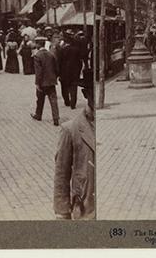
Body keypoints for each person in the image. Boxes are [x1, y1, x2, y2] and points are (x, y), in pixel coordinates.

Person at [54, 69, 95, 220]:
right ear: (86, 94)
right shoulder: (70, 130)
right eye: (93, 92)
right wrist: (63, 212)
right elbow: (61, 175)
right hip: (85, 211)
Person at [31, 36, 60, 126]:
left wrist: (37, 83)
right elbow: (56, 69)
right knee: (53, 100)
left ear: (38, 44)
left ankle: (38, 115)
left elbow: (38, 72)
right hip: (51, 81)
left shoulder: (37, 56)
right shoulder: (51, 54)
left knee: (40, 99)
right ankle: (56, 119)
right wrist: (55, 77)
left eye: (36, 43)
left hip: (42, 82)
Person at [57, 34, 82, 109]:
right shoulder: (76, 50)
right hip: (74, 73)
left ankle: (67, 101)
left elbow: (59, 62)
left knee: (64, 88)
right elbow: (79, 62)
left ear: (65, 42)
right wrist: (78, 71)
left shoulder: (62, 50)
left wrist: (58, 73)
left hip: (64, 73)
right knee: (73, 88)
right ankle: (73, 104)